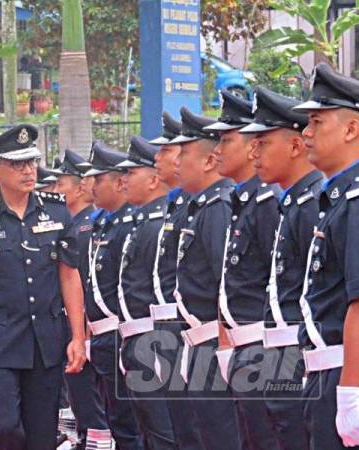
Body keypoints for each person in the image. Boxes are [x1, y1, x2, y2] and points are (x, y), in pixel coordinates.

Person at [0, 124, 86, 450]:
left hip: (46, 342)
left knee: (42, 433)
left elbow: (69, 275)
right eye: (17, 164)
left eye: (31, 162)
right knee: (3, 430)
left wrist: (77, 336)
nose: (28, 171)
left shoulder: (55, 211)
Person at [239, 86, 317, 450]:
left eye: (264, 142)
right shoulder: (292, 201)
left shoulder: (313, 202)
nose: (253, 152)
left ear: (296, 145)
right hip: (280, 352)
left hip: (304, 354)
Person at [293, 63, 359, 450]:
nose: (306, 133)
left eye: (317, 122)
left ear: (351, 129)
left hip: (348, 374)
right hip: (326, 372)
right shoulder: (340, 197)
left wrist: (349, 392)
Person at [205, 88, 281, 449]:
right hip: (240, 348)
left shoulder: (267, 203)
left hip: (263, 348)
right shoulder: (241, 199)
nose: (217, 150)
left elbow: (278, 284)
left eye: (226, 140)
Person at [169, 107, 242, 450]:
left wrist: (224, 348)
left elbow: (224, 284)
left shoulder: (218, 207)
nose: (176, 162)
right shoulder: (199, 205)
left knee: (221, 434)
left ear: (209, 161)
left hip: (216, 341)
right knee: (199, 433)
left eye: (184, 154)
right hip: (198, 340)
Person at [116, 135, 177, 449]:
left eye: (131, 174)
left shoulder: (159, 222)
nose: (123, 180)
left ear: (154, 179)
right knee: (146, 430)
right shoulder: (143, 220)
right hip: (136, 338)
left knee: (163, 432)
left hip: (154, 338)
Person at [84, 141, 145, 450]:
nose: (92, 186)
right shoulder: (106, 225)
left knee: (130, 421)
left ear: (119, 181)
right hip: (103, 337)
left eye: (99, 179)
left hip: (120, 332)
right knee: (117, 418)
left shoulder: (129, 224)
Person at [151, 112, 205, 450]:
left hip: (199, 332)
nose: (158, 158)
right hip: (173, 329)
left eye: (170, 150)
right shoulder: (180, 203)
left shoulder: (207, 204)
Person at [54, 149, 109, 450]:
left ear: (78, 187)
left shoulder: (88, 225)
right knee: (76, 389)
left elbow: (88, 281)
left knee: (89, 393)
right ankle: (85, 438)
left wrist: (83, 329)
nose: (56, 191)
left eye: (61, 184)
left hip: (88, 323)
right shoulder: (73, 223)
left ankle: (96, 440)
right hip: (72, 320)